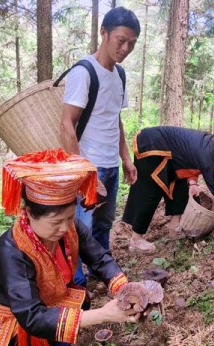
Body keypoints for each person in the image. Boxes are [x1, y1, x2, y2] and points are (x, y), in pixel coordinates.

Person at [0, 149, 139, 346]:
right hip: (11, 312)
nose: (64, 228)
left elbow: (100, 259)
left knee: (79, 302)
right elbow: (31, 315)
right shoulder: (12, 252)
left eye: (69, 218)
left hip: (45, 299)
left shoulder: (71, 227)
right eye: (55, 222)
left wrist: (126, 290)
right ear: (29, 213)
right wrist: (102, 315)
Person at [61, 6, 139, 286]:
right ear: (104, 33)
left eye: (132, 43)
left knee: (104, 225)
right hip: (88, 166)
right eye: (121, 40)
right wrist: (83, 174)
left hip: (111, 165)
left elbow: (113, 118)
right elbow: (67, 124)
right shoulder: (84, 72)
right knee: (80, 229)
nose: (126, 48)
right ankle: (77, 285)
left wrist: (126, 158)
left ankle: (100, 271)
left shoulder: (120, 75)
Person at [122, 118, 214, 252]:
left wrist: (193, 182)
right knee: (150, 190)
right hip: (152, 146)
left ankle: (174, 226)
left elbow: (188, 156)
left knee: (180, 183)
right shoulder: (209, 154)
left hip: (169, 151)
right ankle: (136, 239)